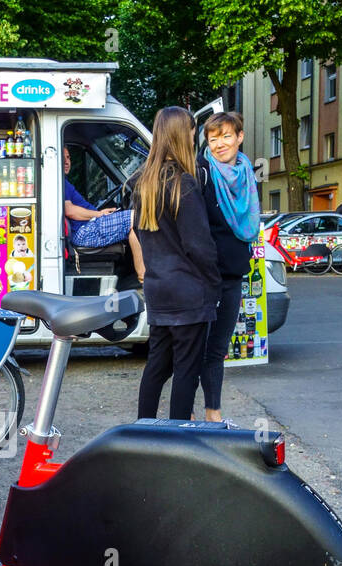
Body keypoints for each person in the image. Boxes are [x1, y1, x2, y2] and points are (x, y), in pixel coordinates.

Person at [132, 106, 220, 421]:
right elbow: (199, 245)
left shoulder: (143, 184)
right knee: (186, 370)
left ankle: (143, 430)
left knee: (157, 366)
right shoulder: (185, 184)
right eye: (193, 131)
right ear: (182, 136)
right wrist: (214, 283)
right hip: (188, 292)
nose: (195, 137)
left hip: (159, 289)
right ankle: (178, 437)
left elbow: (139, 235)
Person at [196, 111, 260, 422]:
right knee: (192, 349)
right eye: (213, 138)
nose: (220, 143)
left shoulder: (247, 172)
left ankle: (213, 412)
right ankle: (175, 417)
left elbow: (247, 225)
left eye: (226, 136)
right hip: (204, 276)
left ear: (239, 137)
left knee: (217, 348)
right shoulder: (201, 170)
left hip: (234, 274)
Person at [64, 147, 146, 282]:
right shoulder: (62, 183)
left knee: (133, 225)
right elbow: (70, 211)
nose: (67, 162)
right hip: (84, 231)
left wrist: (99, 214)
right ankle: (143, 278)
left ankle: (143, 277)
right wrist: (98, 214)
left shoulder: (65, 183)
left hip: (87, 226)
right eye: (63, 158)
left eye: (68, 158)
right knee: (135, 217)